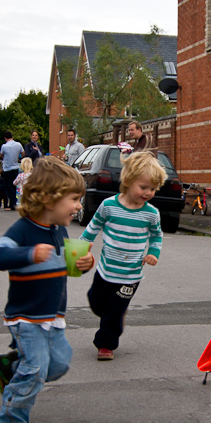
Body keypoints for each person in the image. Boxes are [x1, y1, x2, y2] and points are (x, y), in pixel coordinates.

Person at [0, 157, 92, 423]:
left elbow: (69, 268)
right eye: (73, 199)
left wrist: (85, 263)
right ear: (47, 198)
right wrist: (28, 254)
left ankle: (10, 367)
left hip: (54, 317)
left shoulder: (60, 230)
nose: (77, 206)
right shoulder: (22, 231)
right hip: (26, 316)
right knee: (36, 369)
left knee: (58, 364)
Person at [80, 151, 165, 361]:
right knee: (97, 303)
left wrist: (153, 253)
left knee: (114, 311)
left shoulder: (151, 213)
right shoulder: (109, 206)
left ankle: (105, 344)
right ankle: (114, 316)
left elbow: (156, 236)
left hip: (131, 275)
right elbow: (94, 226)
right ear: (128, 181)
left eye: (152, 189)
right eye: (143, 187)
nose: (148, 193)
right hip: (106, 269)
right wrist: (83, 246)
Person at [0, 131, 24, 210]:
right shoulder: (18, 144)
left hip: (7, 168)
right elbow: (23, 153)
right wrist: (18, 158)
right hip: (15, 167)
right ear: (12, 137)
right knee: (14, 186)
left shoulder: (4, 146)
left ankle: (11, 205)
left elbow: (1, 155)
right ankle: (13, 203)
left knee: (8, 187)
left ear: (5, 138)